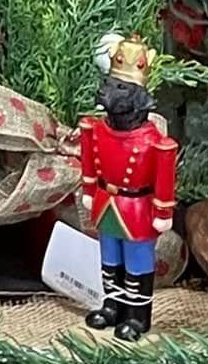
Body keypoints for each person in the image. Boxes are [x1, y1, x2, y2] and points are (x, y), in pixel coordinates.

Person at [75, 34, 176, 341]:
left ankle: (138, 315)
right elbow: (91, 162)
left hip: (136, 209)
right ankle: (112, 305)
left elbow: (164, 174)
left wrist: (162, 210)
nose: (109, 91)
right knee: (109, 258)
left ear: (137, 99)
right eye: (111, 84)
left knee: (137, 262)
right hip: (108, 203)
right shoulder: (98, 130)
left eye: (121, 88)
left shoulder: (153, 141)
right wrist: (91, 192)